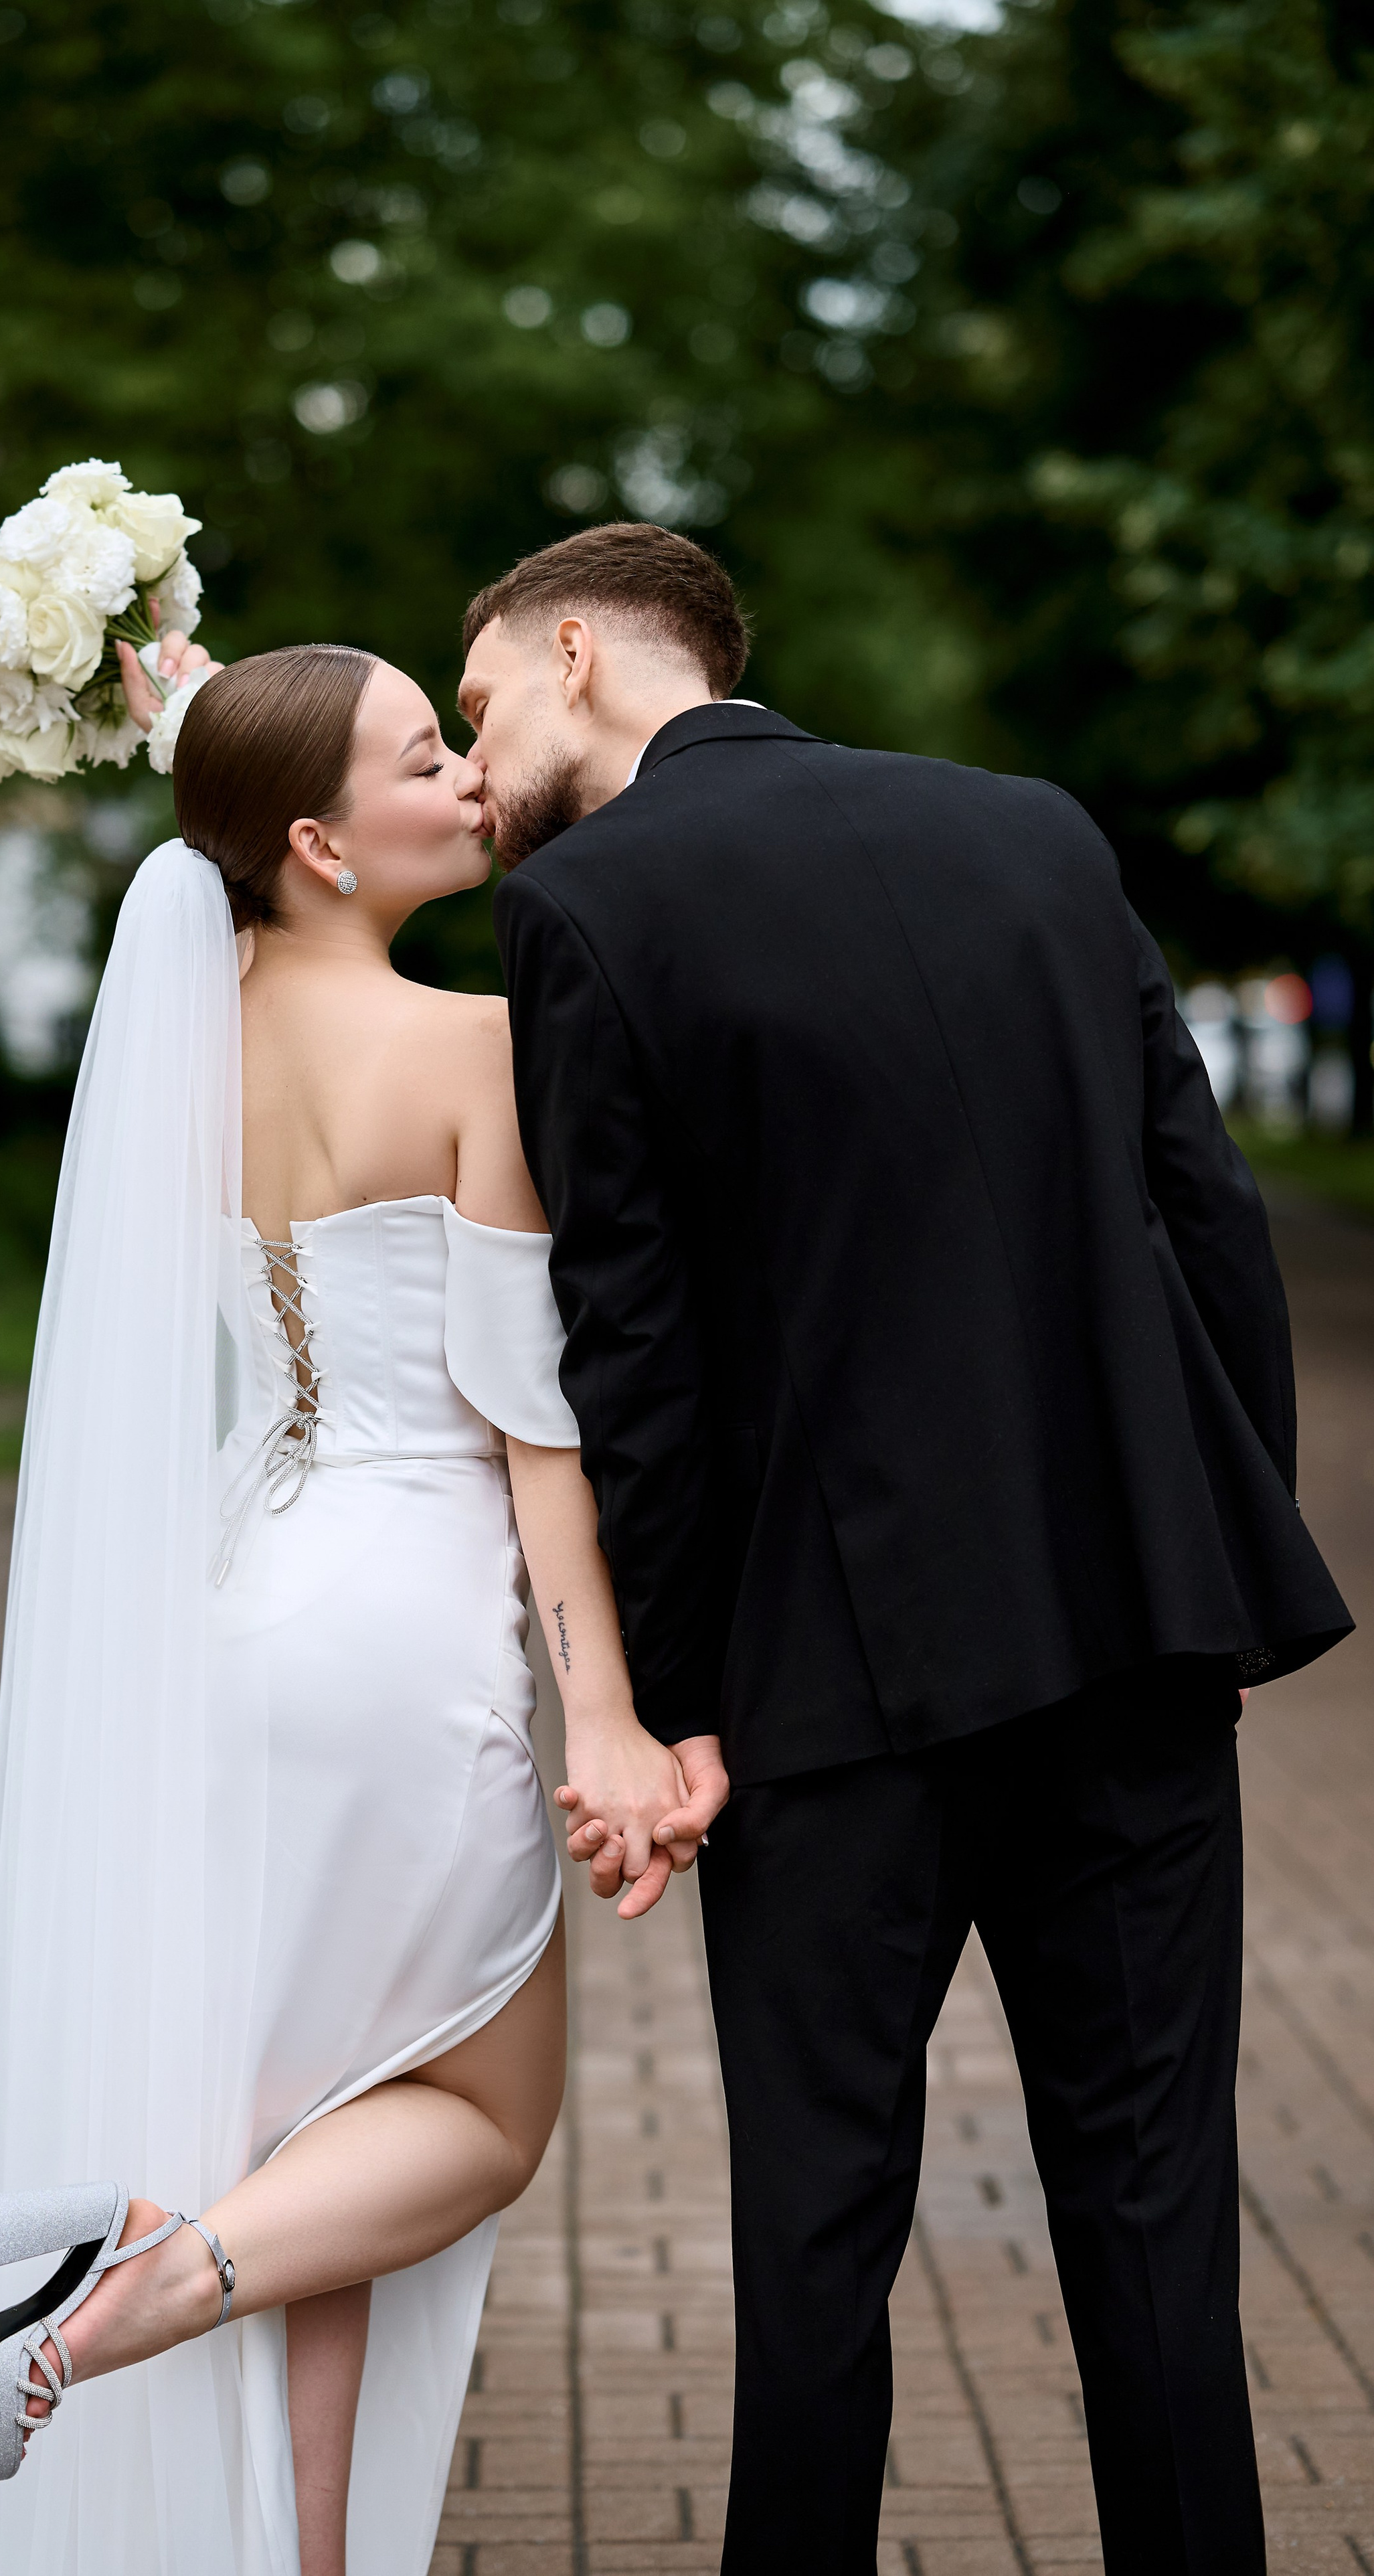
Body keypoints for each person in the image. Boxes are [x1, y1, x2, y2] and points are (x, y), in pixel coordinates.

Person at [458, 519, 1352, 2576]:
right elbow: (1203, 1220)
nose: (475, 754)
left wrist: (680, 1710)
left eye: (483, 696)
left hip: (826, 1700)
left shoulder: (589, 914)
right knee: (1156, 2237)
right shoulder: (1033, 835)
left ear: (583, 650)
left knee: (818, 2249)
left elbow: (641, 1364)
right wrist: (1206, 1555)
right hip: (1133, 1645)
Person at [0, 639, 725, 2576]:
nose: (467, 772)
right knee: (478, 2118)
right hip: (401, 1627)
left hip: (234, 1611)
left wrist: (207, 689)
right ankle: (123, 2294)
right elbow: (539, 1435)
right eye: (421, 758)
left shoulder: (186, 1035)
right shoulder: (469, 1049)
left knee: (328, 2155)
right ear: (316, 837)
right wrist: (607, 1713)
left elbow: (262, 780)